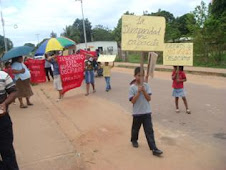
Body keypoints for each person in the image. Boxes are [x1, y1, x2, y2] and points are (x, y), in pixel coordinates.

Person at [129, 67, 163, 156]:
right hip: (137, 113)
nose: (140, 78)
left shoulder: (146, 86)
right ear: (135, 76)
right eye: (138, 75)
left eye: (142, 76)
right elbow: (133, 101)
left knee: (149, 130)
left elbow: (149, 99)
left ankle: (154, 148)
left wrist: (143, 91)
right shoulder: (132, 88)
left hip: (147, 112)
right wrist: (138, 92)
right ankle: (134, 140)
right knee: (135, 128)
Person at [0, 71, 19, 170]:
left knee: (7, 150)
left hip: (2, 121)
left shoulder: (3, 76)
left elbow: (13, 91)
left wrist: (5, 103)